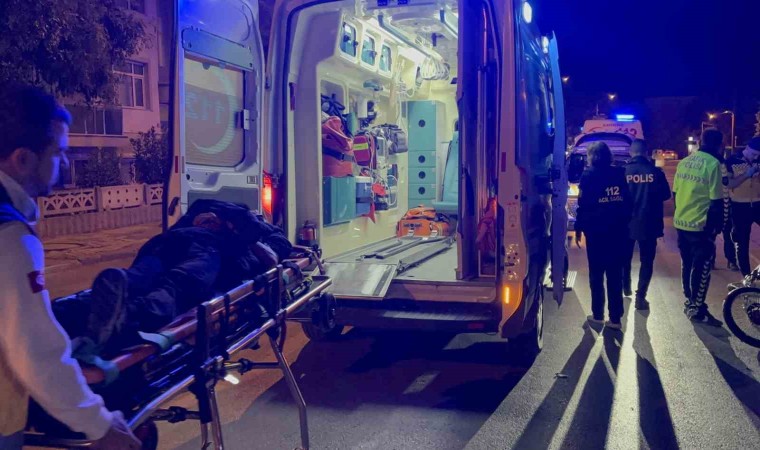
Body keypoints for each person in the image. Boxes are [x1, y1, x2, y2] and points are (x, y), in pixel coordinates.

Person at [0, 85, 140, 449]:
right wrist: (101, 425)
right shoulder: (10, 237)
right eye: (59, 153)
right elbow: (35, 351)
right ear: (23, 159)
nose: (64, 164)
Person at [53, 199, 293, 355]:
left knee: (143, 279)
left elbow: (273, 257)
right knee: (176, 289)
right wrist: (230, 226)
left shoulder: (262, 231)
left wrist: (244, 234)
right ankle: (125, 316)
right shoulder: (232, 215)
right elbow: (271, 259)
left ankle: (71, 309)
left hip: (177, 245)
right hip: (199, 247)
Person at [575, 142, 632, 330]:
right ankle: (615, 318)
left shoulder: (588, 176)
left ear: (592, 157)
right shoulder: (619, 173)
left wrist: (579, 227)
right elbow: (627, 201)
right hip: (617, 230)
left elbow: (583, 204)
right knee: (615, 274)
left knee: (596, 274)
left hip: (596, 232)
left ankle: (598, 314)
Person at [672, 128, 725, 326]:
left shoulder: (685, 162)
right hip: (700, 226)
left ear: (701, 141)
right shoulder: (713, 164)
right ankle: (697, 307)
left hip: (681, 222)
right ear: (719, 144)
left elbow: (675, 193)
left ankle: (690, 300)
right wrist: (716, 227)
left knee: (687, 263)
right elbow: (716, 201)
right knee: (702, 268)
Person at [622, 139, 671, 310]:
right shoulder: (656, 172)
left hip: (626, 223)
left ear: (631, 152)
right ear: (646, 153)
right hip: (649, 223)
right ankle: (640, 297)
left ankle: (625, 285)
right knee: (647, 261)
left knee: (624, 257)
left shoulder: (623, 172)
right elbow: (666, 195)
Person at [724, 137, 760, 277]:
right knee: (742, 242)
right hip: (739, 206)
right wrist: (747, 174)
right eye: (754, 154)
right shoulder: (732, 161)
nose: (756, 157)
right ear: (748, 148)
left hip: (757, 204)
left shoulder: (758, 160)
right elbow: (729, 184)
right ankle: (746, 276)